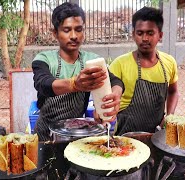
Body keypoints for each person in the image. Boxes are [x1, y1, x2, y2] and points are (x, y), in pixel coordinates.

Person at [32, 2, 124, 141]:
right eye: (67, 30)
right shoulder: (45, 59)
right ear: (55, 33)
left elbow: (115, 81)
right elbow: (43, 83)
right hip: (47, 134)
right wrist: (74, 84)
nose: (74, 36)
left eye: (79, 29)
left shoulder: (91, 61)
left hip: (77, 132)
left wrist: (115, 95)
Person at [109, 6, 179, 135]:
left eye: (150, 33)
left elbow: (173, 92)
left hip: (156, 135)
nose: (145, 38)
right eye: (140, 33)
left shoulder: (169, 62)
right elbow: (107, 98)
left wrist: (169, 116)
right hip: (126, 137)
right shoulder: (119, 64)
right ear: (133, 34)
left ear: (160, 35)